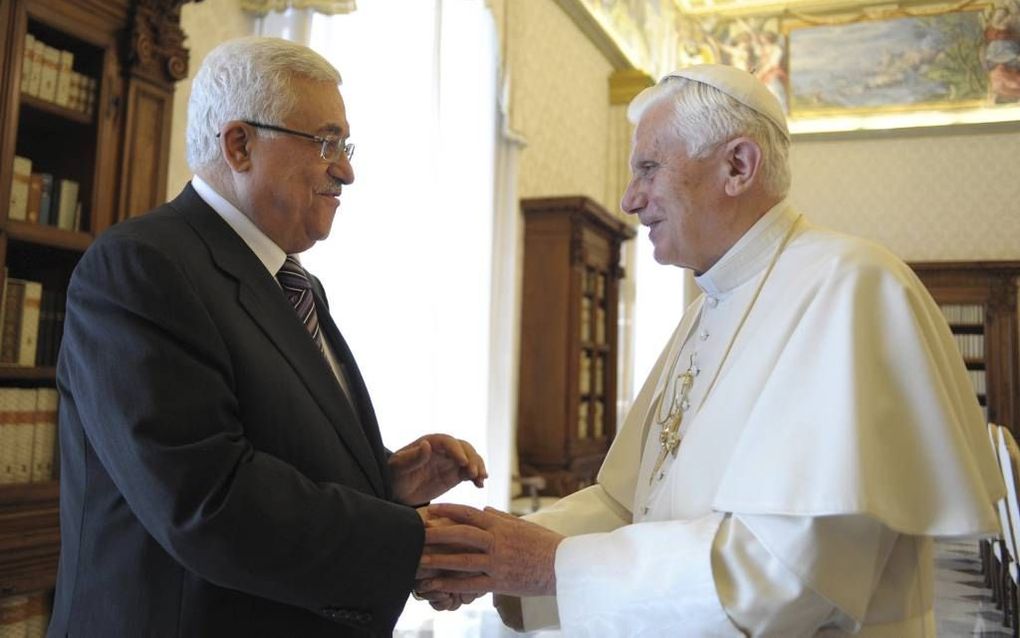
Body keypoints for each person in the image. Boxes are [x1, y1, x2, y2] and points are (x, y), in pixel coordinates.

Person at [417, 65, 1003, 636]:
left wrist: (549, 566)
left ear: (737, 166)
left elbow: (784, 580)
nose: (629, 199)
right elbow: (632, 505)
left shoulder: (849, 286)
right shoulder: (705, 309)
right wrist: (491, 548)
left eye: (648, 168)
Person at [49, 36, 486, 637]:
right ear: (239, 144)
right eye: (326, 142)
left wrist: (385, 483)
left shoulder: (293, 282)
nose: (347, 170)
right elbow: (207, 499)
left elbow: (271, 449)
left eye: (346, 145)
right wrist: (417, 544)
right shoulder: (138, 267)